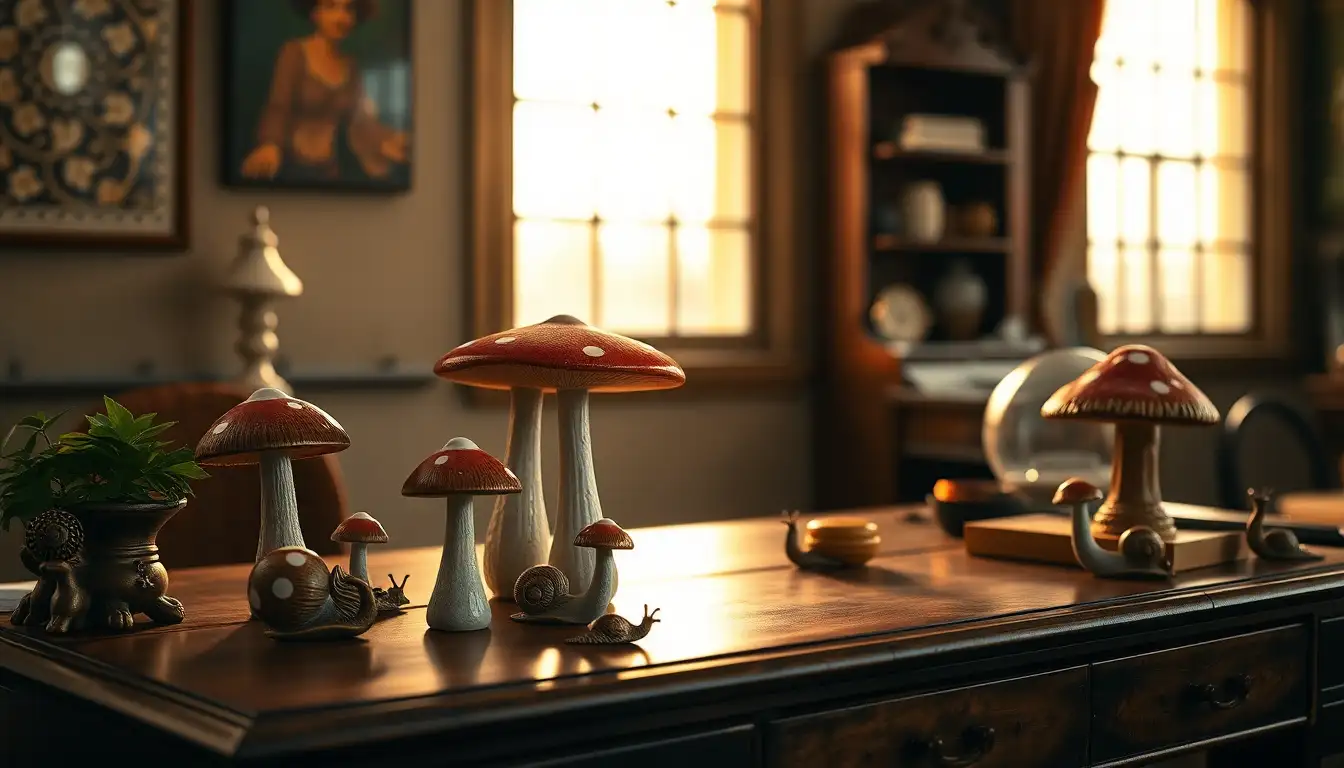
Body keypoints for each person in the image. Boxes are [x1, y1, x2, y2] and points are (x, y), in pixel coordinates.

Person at [240, 0, 409, 182]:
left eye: (348, 9)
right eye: (330, 7)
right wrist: (270, 144)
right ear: (315, 12)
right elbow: (279, 106)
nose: (341, 17)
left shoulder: (351, 67)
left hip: (329, 172)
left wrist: (388, 139)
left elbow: (361, 122)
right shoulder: (294, 52)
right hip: (291, 169)